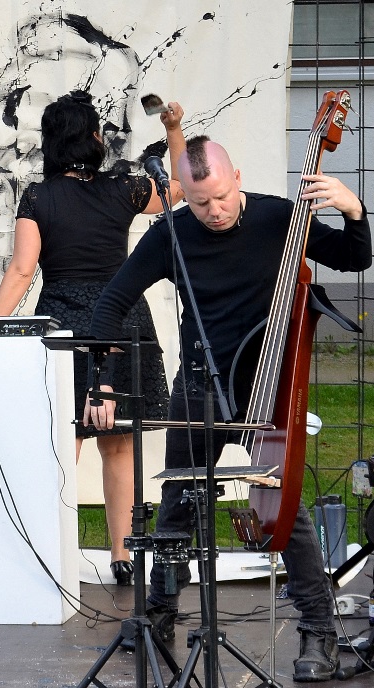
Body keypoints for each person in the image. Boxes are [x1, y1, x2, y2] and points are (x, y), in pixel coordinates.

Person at [88, 136, 370, 681]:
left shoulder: (280, 218)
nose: (214, 211)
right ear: (183, 195)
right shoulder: (171, 234)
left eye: (220, 197)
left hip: (271, 384)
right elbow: (113, 299)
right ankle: (160, 612)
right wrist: (99, 380)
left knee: (286, 507)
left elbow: (355, 258)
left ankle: (319, 631)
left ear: (236, 177)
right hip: (199, 383)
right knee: (177, 501)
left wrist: (354, 210)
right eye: (200, 203)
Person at [0, 90, 186, 585]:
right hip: (123, 320)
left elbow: (22, 270)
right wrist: (173, 130)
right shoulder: (123, 188)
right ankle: (122, 556)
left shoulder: (38, 197)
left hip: (64, 327)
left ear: (52, 143)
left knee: (63, 443)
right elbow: (179, 189)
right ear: (94, 138)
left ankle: (47, 552)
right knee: (118, 446)